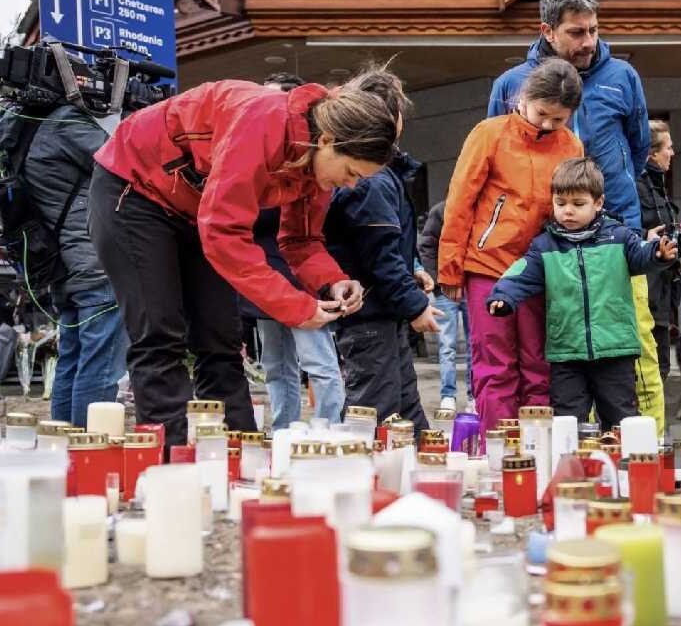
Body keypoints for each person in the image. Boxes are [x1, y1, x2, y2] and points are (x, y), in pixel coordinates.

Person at [89, 65, 405, 447]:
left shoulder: (316, 167)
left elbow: (301, 239)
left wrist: (331, 281)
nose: (351, 184)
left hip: (195, 207)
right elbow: (224, 234)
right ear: (327, 140)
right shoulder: (263, 121)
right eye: (352, 171)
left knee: (221, 337)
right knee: (160, 333)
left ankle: (239, 454)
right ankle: (169, 462)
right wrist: (296, 307)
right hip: (134, 188)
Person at [487, 0, 667, 434]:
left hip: (616, 235)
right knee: (563, 353)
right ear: (547, 31)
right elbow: (494, 158)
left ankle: (648, 444)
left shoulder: (623, 76)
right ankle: (581, 449)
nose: (588, 42)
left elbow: (639, 146)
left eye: (593, 30)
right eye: (575, 33)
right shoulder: (510, 85)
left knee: (636, 348)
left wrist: (610, 204)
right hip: (545, 242)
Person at [440, 58, 584, 432]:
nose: (548, 125)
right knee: (495, 364)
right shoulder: (489, 134)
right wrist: (450, 268)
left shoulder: (571, 145)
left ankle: (538, 448)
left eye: (559, 119)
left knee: (540, 364)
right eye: (542, 114)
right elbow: (460, 201)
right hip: (489, 266)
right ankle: (498, 452)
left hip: (541, 270)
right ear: (524, 97)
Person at [487, 158, 676, 429]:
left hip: (616, 351)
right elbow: (522, 273)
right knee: (568, 423)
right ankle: (573, 470)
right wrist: (503, 295)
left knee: (622, 420)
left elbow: (641, 255)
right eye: (560, 203)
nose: (568, 211)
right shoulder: (545, 245)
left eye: (578, 204)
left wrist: (658, 253)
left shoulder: (619, 236)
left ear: (598, 203)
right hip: (567, 354)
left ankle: (625, 470)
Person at [240, 73, 346, 429]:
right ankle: (282, 431)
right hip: (267, 280)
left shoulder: (313, 166)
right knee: (275, 366)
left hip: (301, 277)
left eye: (275, 100)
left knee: (319, 364)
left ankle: (327, 430)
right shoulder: (259, 158)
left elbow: (308, 234)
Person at [21, 104, 128, 426]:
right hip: (92, 262)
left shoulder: (23, 126)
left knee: (71, 358)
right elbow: (120, 159)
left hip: (62, 265)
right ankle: (89, 453)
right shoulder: (65, 123)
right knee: (101, 365)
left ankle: (65, 447)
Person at [326, 150, 440, 428]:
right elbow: (380, 254)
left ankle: (419, 467)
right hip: (370, 314)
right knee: (373, 415)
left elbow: (387, 248)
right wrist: (414, 305)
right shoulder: (371, 180)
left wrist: (412, 271)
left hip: (384, 312)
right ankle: (359, 471)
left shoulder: (383, 174)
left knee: (404, 410)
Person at [636, 120, 681, 386]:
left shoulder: (657, 186)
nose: (673, 153)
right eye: (669, 147)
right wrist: (645, 237)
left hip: (662, 290)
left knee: (660, 367)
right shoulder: (634, 185)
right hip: (647, 292)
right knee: (651, 369)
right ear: (652, 153)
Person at [420, 200, 473, 413]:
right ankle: (448, 395)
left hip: (473, 286)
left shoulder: (476, 209)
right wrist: (436, 281)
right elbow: (427, 247)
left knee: (474, 345)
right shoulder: (440, 211)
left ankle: (474, 395)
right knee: (447, 345)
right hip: (446, 288)